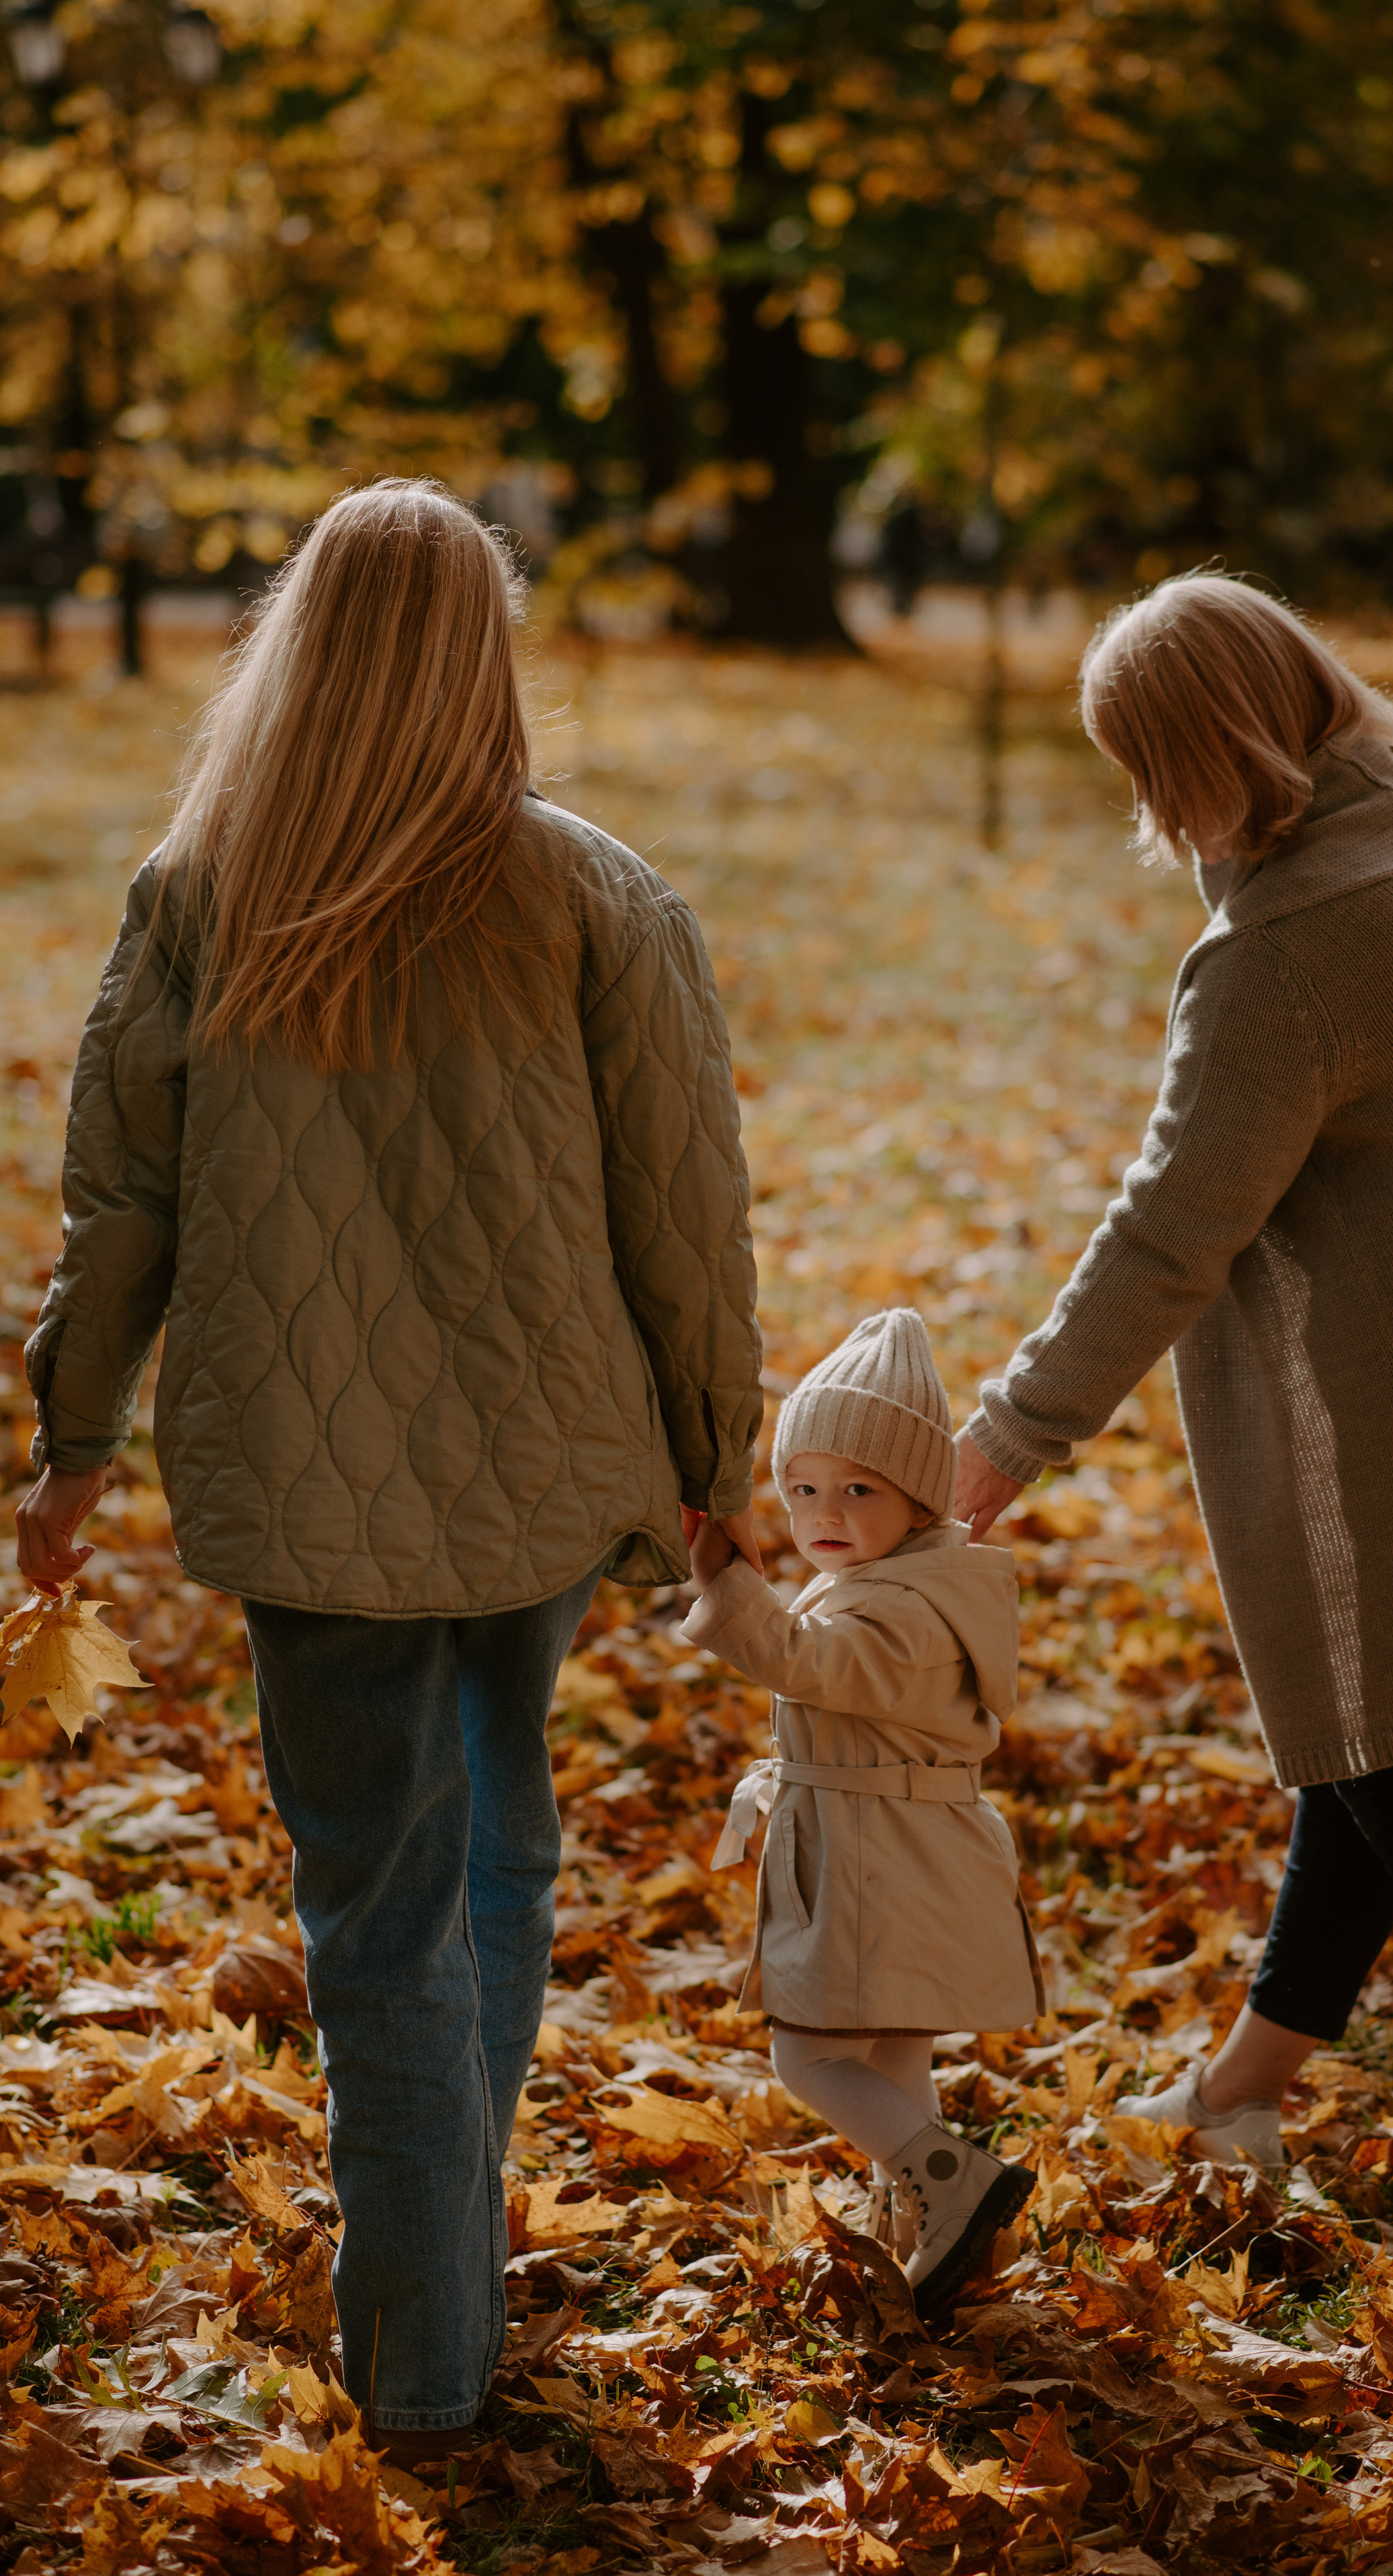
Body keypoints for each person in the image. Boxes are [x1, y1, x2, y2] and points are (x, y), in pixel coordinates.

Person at [14, 479, 763, 2464]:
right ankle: (448, 2253)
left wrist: (70, 1445)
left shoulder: (200, 895)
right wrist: (717, 1461)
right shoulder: (596, 891)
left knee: (381, 1906)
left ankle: (425, 2352)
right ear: (484, 657)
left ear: (297, 650)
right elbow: (693, 1216)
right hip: (540, 1466)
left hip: (315, 1486)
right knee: (493, 1840)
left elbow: (122, 1217)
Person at [952, 572, 1393, 2264]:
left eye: (1145, 772)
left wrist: (1001, 1441)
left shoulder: (1284, 958)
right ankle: (1238, 2088)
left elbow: (1165, 1236)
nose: (1146, 816)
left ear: (1185, 755)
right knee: (1377, 1751)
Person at [683, 1308, 1042, 2319]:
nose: (822, 1511)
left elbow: (812, 1663)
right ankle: (924, 2219)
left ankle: (950, 2180)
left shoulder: (902, 1609)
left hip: (882, 1859)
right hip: (898, 1850)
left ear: (919, 1493)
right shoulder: (894, 1579)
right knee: (892, 2054)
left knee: (808, 2053)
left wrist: (726, 1577)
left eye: (857, 1489)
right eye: (801, 1488)